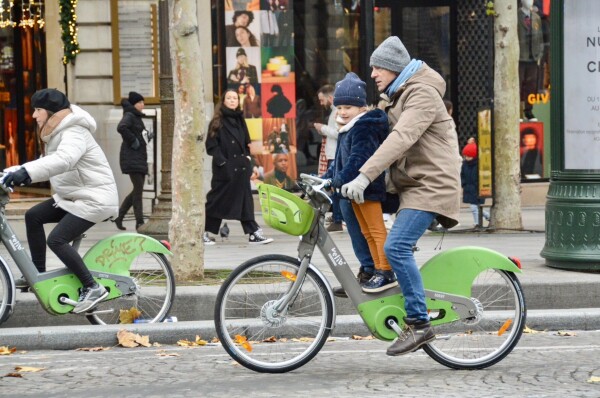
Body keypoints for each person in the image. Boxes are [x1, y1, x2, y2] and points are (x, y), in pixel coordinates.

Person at [341, 36, 461, 356]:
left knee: (396, 246)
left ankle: (419, 324)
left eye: (378, 67)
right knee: (353, 210)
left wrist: (365, 175)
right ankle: (370, 273)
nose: (374, 74)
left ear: (394, 68)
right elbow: (368, 136)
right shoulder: (394, 96)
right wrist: (337, 178)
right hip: (409, 184)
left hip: (431, 185)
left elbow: (402, 137)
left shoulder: (421, 93)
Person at [2, 88, 118, 313]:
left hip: (94, 199)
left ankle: (92, 287)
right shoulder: (58, 133)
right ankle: (35, 274)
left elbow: (64, 160)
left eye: (38, 110)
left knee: (57, 240)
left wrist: (25, 172)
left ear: (52, 112)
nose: (34, 115)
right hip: (74, 197)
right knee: (33, 215)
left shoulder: (74, 131)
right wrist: (8, 173)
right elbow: (46, 163)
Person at [323, 72, 397, 293]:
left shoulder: (364, 126)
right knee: (366, 232)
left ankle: (385, 271)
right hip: (352, 190)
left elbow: (358, 159)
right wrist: (328, 177)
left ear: (361, 107)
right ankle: (375, 269)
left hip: (367, 187)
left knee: (375, 230)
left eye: (348, 107)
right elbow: (341, 161)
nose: (343, 112)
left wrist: (337, 179)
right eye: (340, 107)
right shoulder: (347, 127)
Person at [204, 89, 273, 245]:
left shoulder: (240, 119)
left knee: (245, 201)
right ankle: (205, 232)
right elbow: (211, 145)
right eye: (229, 98)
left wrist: (249, 160)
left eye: (235, 98)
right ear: (224, 101)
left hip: (241, 168)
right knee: (217, 201)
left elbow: (246, 143)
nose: (232, 100)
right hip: (225, 170)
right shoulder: (217, 120)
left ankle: (253, 232)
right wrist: (223, 162)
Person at [114, 91, 150, 231]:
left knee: (137, 189)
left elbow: (138, 134)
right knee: (138, 190)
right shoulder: (129, 115)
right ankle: (139, 222)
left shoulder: (136, 117)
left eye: (143, 102)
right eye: (140, 102)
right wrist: (133, 140)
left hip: (138, 157)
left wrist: (146, 137)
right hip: (131, 157)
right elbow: (121, 127)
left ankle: (119, 216)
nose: (143, 105)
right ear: (134, 104)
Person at [314, 84, 343, 233]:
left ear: (330, 98)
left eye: (321, 100)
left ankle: (337, 219)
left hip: (334, 154)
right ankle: (336, 216)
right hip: (333, 153)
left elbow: (339, 133)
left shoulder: (337, 111)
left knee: (334, 187)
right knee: (333, 186)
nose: (321, 103)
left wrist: (322, 128)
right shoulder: (336, 111)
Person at [518, 0, 544, 121]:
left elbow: (540, 38)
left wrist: (539, 54)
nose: (529, 1)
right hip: (520, 57)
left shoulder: (536, 18)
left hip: (533, 57)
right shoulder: (516, 16)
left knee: (531, 85)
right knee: (518, 85)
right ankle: (518, 111)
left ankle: (529, 110)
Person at [461, 142, 490, 228]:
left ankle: (477, 223)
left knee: (474, 208)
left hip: (477, 189)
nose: (466, 158)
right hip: (469, 188)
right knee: (476, 207)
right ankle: (488, 217)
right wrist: (464, 184)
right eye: (465, 156)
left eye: (469, 156)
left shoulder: (479, 165)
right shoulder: (465, 164)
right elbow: (462, 175)